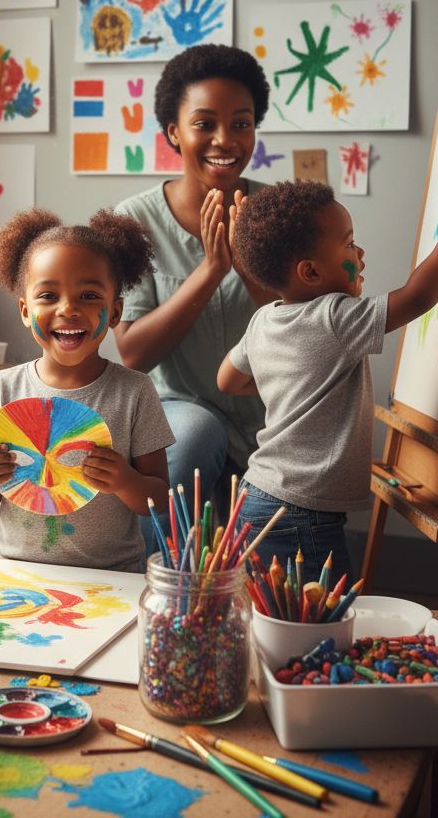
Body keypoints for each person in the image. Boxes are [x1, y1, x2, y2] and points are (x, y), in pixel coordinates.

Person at [218, 180, 438, 582]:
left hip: (257, 496)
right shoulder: (334, 316)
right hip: (301, 512)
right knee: (323, 610)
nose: (360, 254)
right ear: (310, 271)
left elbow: (228, 379)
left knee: (271, 608)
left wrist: (294, 380)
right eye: (349, 244)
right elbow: (416, 297)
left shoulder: (264, 319)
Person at [114, 44, 274, 552]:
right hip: (180, 412)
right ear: (173, 132)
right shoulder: (136, 219)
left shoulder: (279, 212)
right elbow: (133, 352)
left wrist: (246, 265)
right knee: (195, 434)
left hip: (271, 415)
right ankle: (152, 583)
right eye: (204, 124)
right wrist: (210, 271)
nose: (225, 140)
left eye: (241, 124)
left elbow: (309, 327)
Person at [0, 208, 174, 572]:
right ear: (25, 311)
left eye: (89, 296)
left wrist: (126, 481)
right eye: (48, 295)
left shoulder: (134, 392)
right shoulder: (4, 387)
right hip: (13, 570)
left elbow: (159, 499)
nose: (68, 309)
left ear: (115, 312)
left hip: (110, 576)